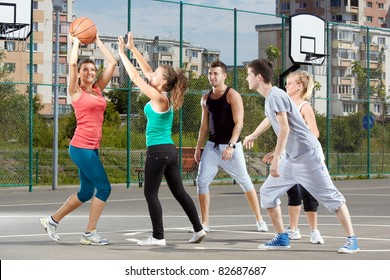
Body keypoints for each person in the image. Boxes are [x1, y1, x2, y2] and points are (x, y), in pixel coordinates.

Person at [243, 59, 359, 253]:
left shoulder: (276, 95)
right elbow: (270, 120)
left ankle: (352, 240)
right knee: (267, 193)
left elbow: (285, 129)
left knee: (332, 197)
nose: (247, 79)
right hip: (292, 158)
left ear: (258, 77)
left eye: (248, 75)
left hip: (308, 156)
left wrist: (275, 159)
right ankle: (282, 237)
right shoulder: (272, 97)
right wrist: (254, 134)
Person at [117, 32, 206, 246]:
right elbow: (146, 72)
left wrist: (121, 54)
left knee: (150, 194)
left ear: (163, 81)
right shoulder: (163, 94)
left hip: (157, 151)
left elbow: (136, 77)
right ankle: (198, 228)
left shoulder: (159, 97)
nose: (152, 74)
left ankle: (158, 237)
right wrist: (132, 48)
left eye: (156, 73)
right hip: (170, 151)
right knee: (179, 192)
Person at [40, 33, 117, 245]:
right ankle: (89, 233)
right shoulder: (75, 91)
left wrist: (97, 40)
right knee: (104, 188)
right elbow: (72, 62)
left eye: (93, 70)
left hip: (91, 148)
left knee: (85, 193)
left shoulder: (98, 90)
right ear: (80, 74)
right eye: (86, 70)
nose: (90, 72)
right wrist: (75, 41)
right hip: (81, 147)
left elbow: (112, 62)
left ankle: (52, 220)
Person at [194, 59, 268, 233]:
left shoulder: (232, 95)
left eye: (216, 73)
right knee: (202, 181)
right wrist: (198, 147)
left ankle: (259, 219)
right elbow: (204, 126)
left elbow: (239, 124)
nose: (212, 76)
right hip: (212, 147)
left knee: (244, 181)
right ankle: (204, 223)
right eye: (210, 73)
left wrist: (231, 146)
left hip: (231, 147)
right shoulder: (205, 99)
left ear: (224, 76)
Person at [262, 70, 324, 244]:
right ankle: (294, 229)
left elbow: (315, 132)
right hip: (289, 156)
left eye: (290, 83)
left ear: (300, 86)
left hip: (305, 156)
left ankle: (314, 231)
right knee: (292, 193)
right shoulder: (283, 102)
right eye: (286, 82)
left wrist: (300, 140)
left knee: (307, 193)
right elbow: (270, 122)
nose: (286, 85)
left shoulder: (305, 106)